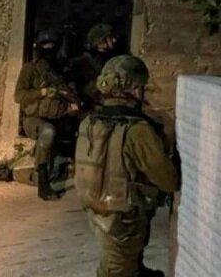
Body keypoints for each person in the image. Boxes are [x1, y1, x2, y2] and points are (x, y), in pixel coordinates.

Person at [74, 55, 178, 277]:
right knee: (116, 271)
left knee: (122, 264)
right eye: (142, 88)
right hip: (124, 219)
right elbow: (169, 181)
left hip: (98, 210)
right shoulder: (138, 130)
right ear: (135, 90)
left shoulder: (90, 121)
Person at [14, 29, 80, 200]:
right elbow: (18, 96)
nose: (50, 50)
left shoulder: (62, 70)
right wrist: (42, 92)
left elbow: (71, 92)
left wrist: (72, 104)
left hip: (60, 116)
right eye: (46, 46)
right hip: (34, 120)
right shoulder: (30, 69)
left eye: (53, 46)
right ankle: (42, 182)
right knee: (48, 132)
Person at [67, 23, 120, 110]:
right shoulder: (85, 62)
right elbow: (87, 90)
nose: (114, 40)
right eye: (110, 38)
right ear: (100, 42)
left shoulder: (111, 56)